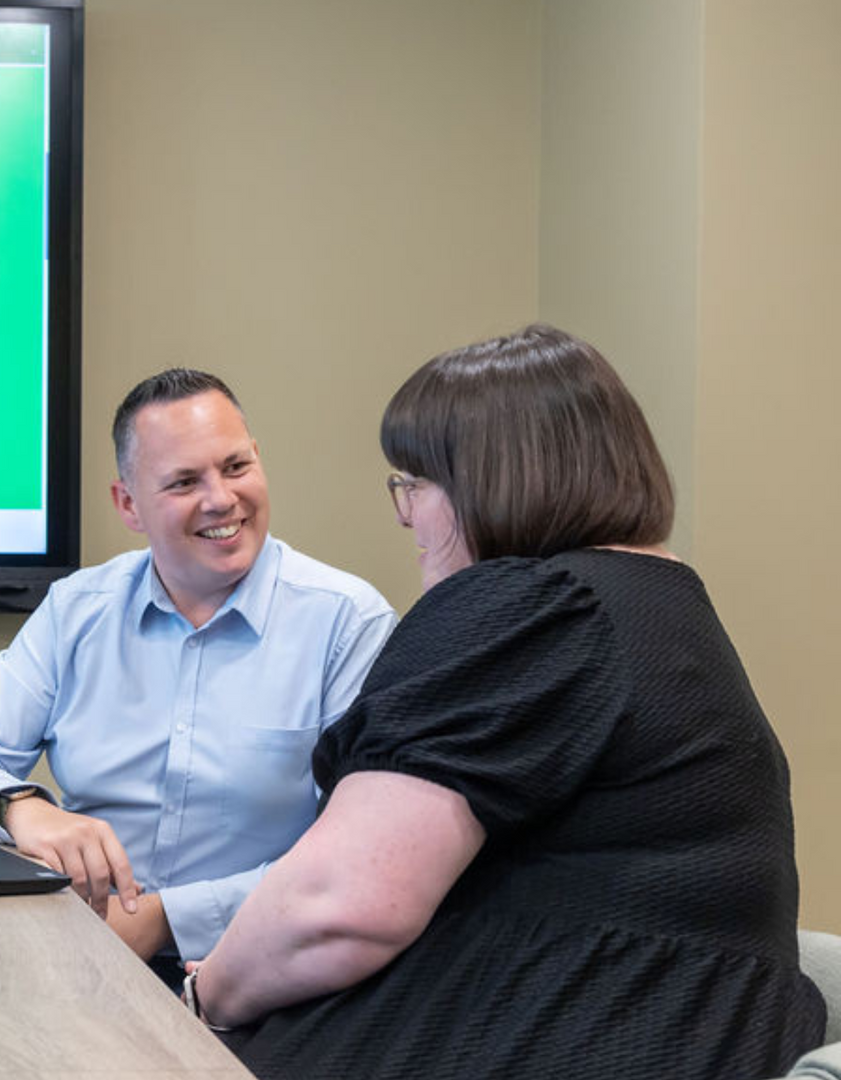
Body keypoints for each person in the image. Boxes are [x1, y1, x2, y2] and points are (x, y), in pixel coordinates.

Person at [184, 324, 826, 1079]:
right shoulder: (666, 609)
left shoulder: (537, 607)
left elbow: (339, 909)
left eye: (414, 484)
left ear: (488, 480)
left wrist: (203, 998)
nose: (405, 515)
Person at [0, 369, 396, 973]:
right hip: (79, 955)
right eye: (184, 481)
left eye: (236, 466)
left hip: (261, 975)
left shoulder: (347, 623)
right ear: (128, 505)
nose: (221, 499)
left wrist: (164, 919)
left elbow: (354, 859)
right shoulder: (77, 610)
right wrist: (22, 806)